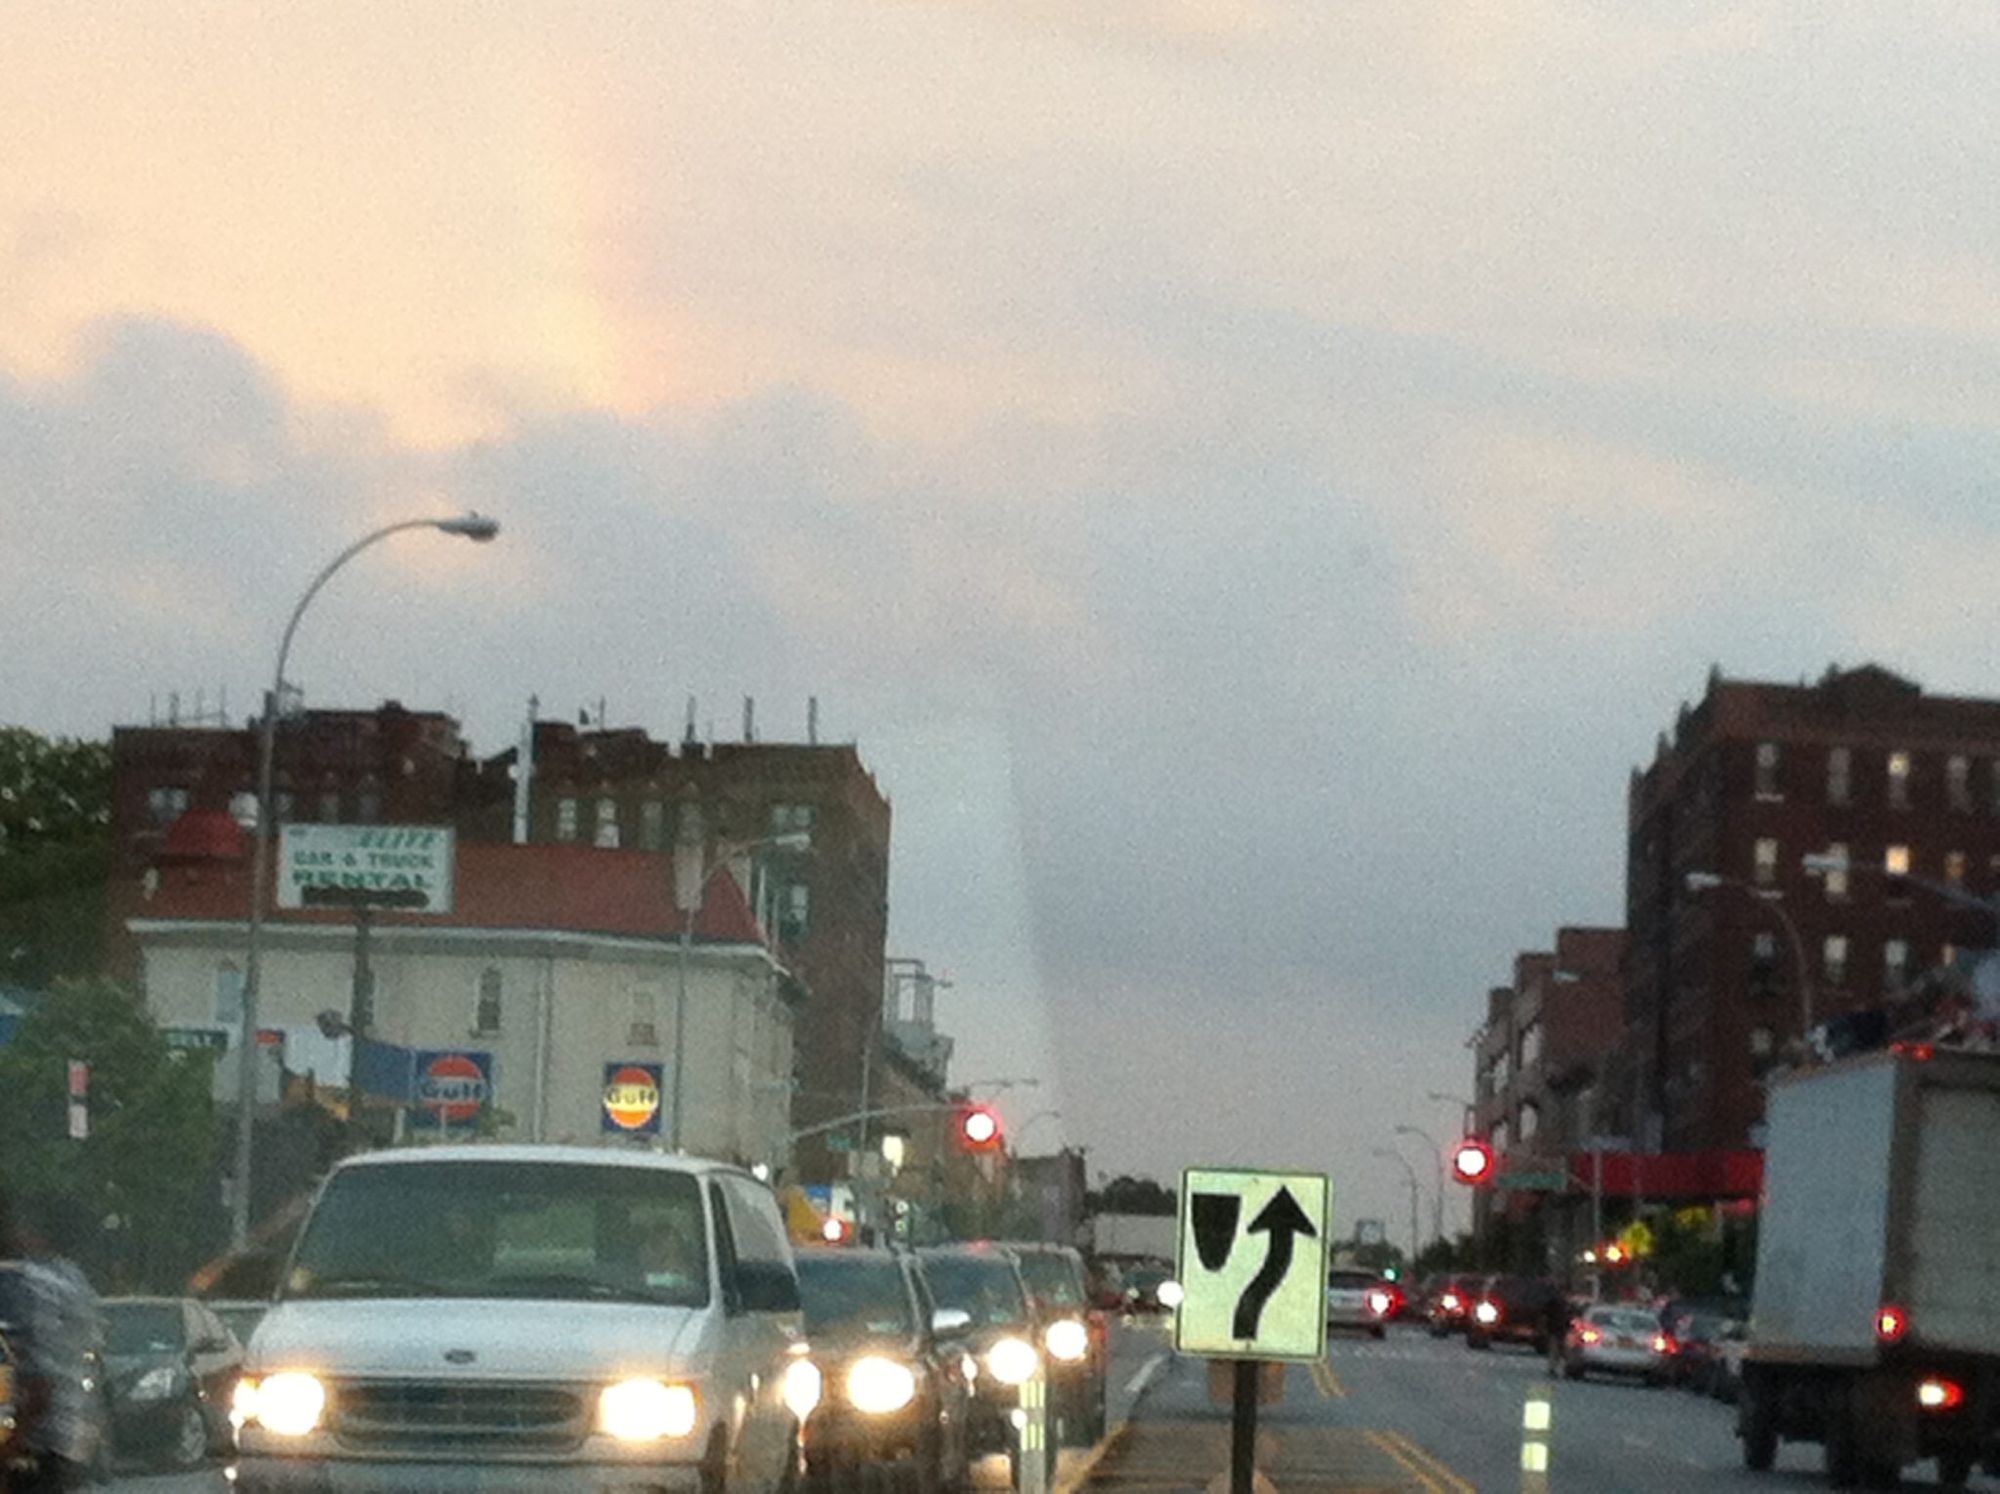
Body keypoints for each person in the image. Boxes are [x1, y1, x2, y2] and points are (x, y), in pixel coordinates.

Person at [0, 1193, 103, 1493]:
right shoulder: (75, 1282)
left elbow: (39, 1383)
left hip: (33, 1443)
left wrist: (11, 1445)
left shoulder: (32, 1284)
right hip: (68, 1440)